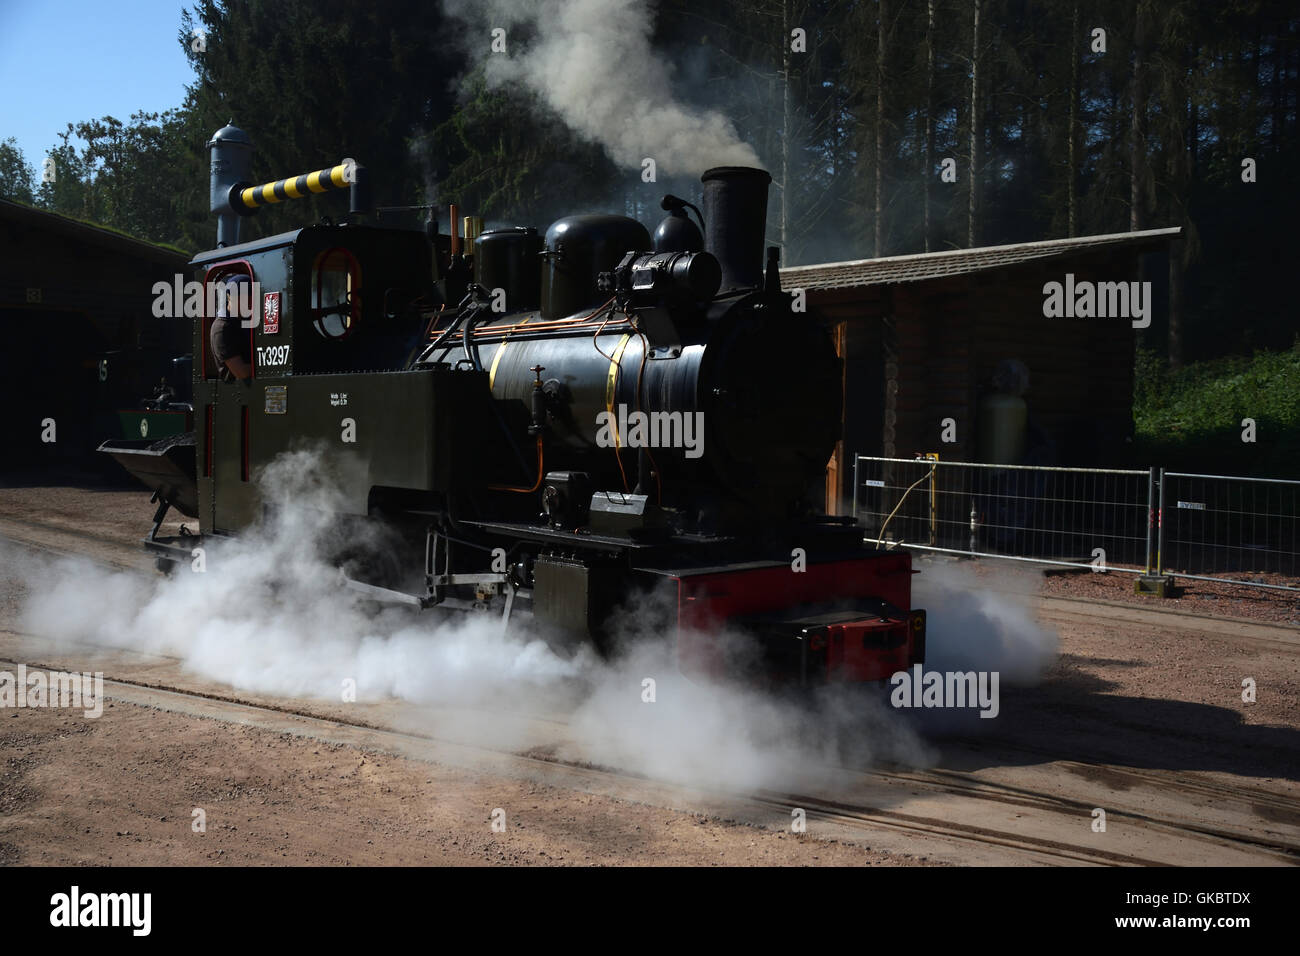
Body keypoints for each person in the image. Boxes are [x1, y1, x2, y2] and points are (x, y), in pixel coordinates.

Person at [210, 273, 253, 380]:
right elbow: (241, 372)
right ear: (230, 297)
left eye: (251, 300)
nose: (249, 305)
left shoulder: (243, 320)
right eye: (244, 300)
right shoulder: (222, 328)